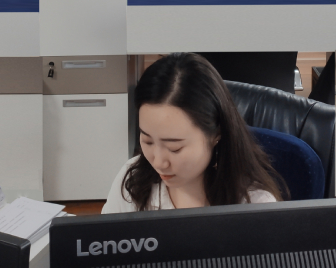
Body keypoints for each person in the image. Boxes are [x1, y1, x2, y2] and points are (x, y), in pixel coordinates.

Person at [102, 53, 287, 213]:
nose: (158, 162)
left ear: (216, 134)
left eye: (174, 148)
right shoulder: (132, 179)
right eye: (147, 141)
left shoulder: (254, 204)